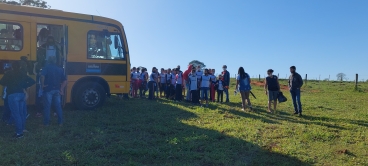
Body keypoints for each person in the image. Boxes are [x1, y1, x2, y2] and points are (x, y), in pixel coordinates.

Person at [0, 61, 35, 138]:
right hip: (21, 94)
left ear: (12, 67)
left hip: (12, 95)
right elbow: (32, 81)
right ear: (19, 67)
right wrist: (23, 86)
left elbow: (1, 82)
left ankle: (19, 133)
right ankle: (22, 129)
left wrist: (9, 83)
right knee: (22, 113)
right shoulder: (22, 73)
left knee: (16, 114)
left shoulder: (8, 73)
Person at [40, 56, 67, 126]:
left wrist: (42, 85)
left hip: (48, 89)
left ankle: (46, 123)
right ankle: (60, 122)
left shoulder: (46, 67)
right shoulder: (59, 69)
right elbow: (65, 81)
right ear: (55, 61)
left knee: (47, 107)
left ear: (48, 60)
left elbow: (42, 76)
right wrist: (61, 89)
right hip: (57, 90)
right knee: (58, 106)